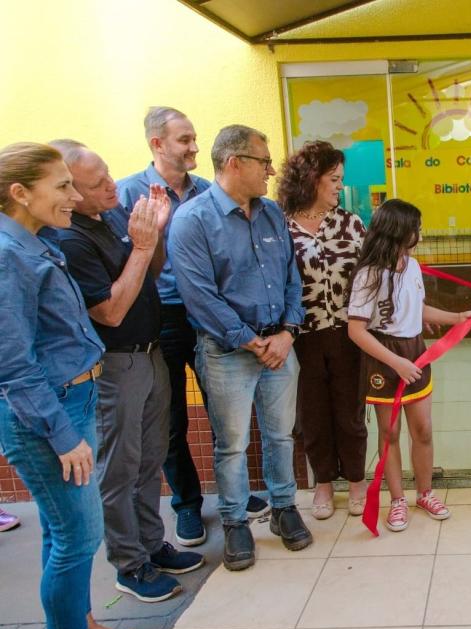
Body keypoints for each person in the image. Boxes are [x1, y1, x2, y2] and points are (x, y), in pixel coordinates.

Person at [47, 140, 204, 603]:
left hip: (152, 352)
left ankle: (153, 545)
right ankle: (129, 564)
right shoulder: (70, 239)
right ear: (71, 191)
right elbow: (111, 311)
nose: (112, 186)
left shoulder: (114, 215)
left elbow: (148, 274)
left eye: (109, 173)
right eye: (97, 183)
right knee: (120, 469)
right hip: (115, 363)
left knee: (151, 457)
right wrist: (142, 246)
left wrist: (155, 236)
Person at [0, 142, 140, 629]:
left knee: (63, 533)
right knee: (79, 537)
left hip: (72, 400)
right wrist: (62, 435)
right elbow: (12, 365)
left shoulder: (36, 241)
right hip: (48, 415)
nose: (73, 196)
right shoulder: (9, 255)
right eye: (61, 187)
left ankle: (80, 623)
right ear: (20, 193)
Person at [117, 107, 269, 545]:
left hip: (214, 318)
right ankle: (186, 505)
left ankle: (234, 494)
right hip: (161, 320)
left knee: (226, 411)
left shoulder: (208, 192)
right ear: (157, 144)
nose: (194, 148)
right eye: (184, 140)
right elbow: (125, 265)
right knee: (170, 419)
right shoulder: (132, 195)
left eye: (195, 138)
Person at [168, 125, 311, 571]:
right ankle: (234, 524)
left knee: (280, 435)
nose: (271, 171)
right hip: (228, 352)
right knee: (231, 444)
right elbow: (199, 296)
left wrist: (287, 332)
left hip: (280, 346)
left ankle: (284, 509)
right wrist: (250, 342)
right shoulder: (193, 221)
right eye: (263, 162)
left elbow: (292, 278)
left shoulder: (271, 214)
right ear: (234, 164)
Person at [347, 199, 471, 533]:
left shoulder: (413, 266)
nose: (419, 234)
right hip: (383, 357)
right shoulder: (368, 274)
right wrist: (395, 362)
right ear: (398, 230)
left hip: (415, 351)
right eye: (415, 227)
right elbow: (355, 330)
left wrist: (456, 318)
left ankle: (425, 493)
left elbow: (418, 309)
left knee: (422, 429)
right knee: (389, 432)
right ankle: (396, 500)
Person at [278, 141, 368, 519]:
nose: (339, 187)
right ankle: (324, 483)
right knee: (313, 413)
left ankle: (358, 481)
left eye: (341, 180)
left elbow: (370, 278)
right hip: (302, 336)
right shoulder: (280, 226)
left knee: (351, 410)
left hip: (349, 334)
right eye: (333, 179)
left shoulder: (350, 223)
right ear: (311, 179)